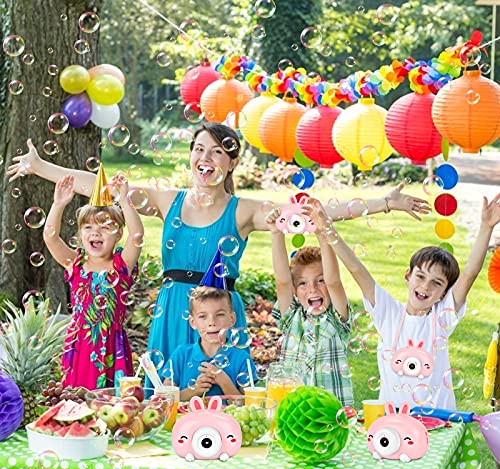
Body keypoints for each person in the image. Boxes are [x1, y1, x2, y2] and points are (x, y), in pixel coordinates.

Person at [8, 123, 430, 377]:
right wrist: (41, 167)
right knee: (169, 396)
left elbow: (310, 212)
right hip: (173, 309)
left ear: (231, 164)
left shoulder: (242, 210)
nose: (205, 158)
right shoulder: (165, 200)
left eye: (217, 152)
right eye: (199, 149)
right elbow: (95, 187)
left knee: (220, 397)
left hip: (221, 313)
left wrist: (384, 202)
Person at [326, 193, 500, 409]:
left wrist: (486, 227)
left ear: (445, 293)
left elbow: (469, 274)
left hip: (438, 420)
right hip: (393, 420)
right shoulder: (388, 313)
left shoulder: (441, 318)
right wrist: (326, 230)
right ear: (408, 276)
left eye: (436, 283)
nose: (425, 287)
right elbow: (356, 269)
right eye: (420, 276)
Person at [43, 174, 144, 390]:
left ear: (118, 234)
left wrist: (124, 200)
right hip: (79, 345)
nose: (95, 232)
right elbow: (51, 237)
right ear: (80, 234)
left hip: (111, 347)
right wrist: (58, 204)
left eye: (105, 227)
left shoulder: (121, 265)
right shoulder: (76, 264)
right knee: (77, 400)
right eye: (88, 227)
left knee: (112, 405)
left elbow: (136, 235)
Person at [266, 198, 353, 406]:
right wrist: (276, 233)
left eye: (319, 280)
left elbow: (334, 282)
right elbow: (282, 282)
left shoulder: (337, 318)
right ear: (296, 291)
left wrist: (323, 234)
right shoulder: (291, 318)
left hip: (331, 412)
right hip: (293, 410)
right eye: (303, 284)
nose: (312, 289)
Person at [162, 286, 258, 399]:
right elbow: (164, 399)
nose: (212, 322)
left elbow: (248, 406)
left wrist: (224, 382)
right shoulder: (181, 355)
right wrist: (193, 390)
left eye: (220, 314)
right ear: (193, 322)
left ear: (231, 319)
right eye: (203, 316)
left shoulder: (242, 359)